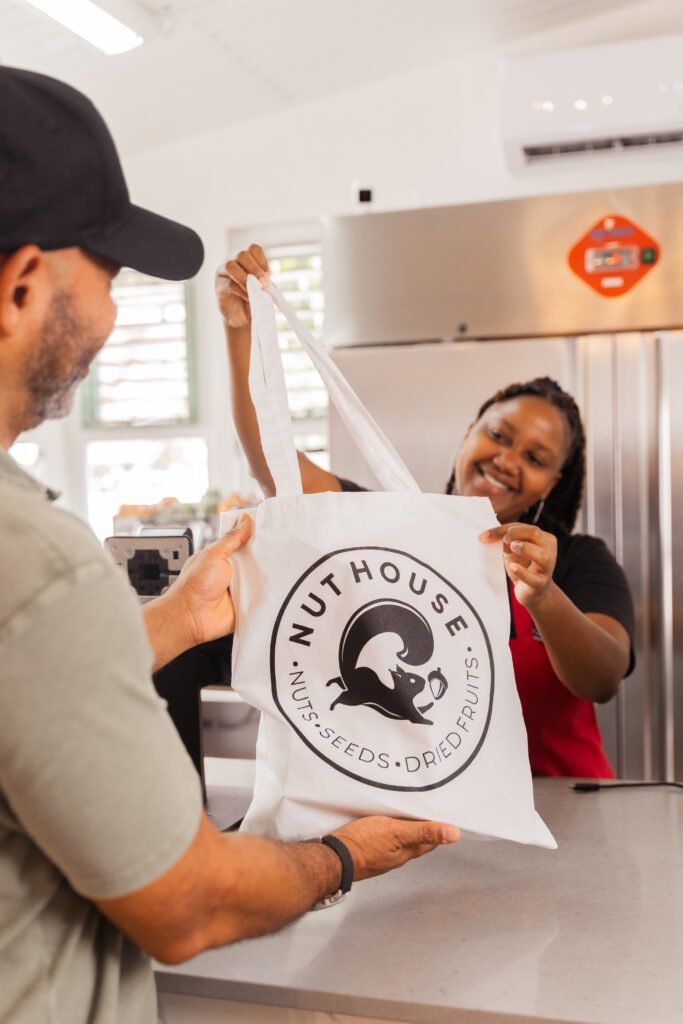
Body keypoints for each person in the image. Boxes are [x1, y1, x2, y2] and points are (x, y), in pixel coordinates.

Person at [0, 69, 459, 1024]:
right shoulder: (39, 562)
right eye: (109, 278)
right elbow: (189, 902)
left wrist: (173, 622)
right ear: (22, 286)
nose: (113, 316)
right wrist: (344, 856)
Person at [217, 244, 635, 779]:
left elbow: (602, 679)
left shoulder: (579, 562)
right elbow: (273, 463)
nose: (507, 461)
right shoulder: (390, 526)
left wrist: (545, 597)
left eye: (534, 459)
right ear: (469, 432)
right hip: (436, 807)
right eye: (498, 435)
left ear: (553, 483)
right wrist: (240, 331)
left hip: (566, 806)